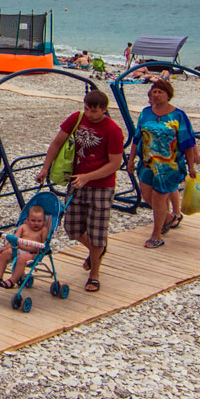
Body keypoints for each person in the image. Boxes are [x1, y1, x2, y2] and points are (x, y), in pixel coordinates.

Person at [34, 89, 124, 292]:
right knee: (72, 228)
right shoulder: (77, 119)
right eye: (87, 109)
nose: (90, 114)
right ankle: (96, 251)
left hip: (101, 186)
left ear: (104, 110)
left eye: (94, 111)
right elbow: (57, 142)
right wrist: (45, 168)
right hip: (76, 182)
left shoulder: (113, 130)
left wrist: (88, 177)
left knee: (97, 231)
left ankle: (94, 274)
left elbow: (115, 163)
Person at [135, 78, 200, 248]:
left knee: (159, 197)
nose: (156, 95)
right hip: (147, 163)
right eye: (154, 92)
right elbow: (137, 137)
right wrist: (130, 159)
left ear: (168, 95)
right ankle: (169, 217)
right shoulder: (145, 112)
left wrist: (191, 165)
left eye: (160, 92)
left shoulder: (178, 115)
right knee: (147, 196)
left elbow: (187, 141)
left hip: (169, 166)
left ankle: (156, 235)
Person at [0, 199, 51, 291]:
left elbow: (44, 244)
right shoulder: (23, 227)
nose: (36, 223)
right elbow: (14, 240)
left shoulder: (43, 230)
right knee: (5, 254)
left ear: (44, 221)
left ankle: (12, 280)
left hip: (31, 253)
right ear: (27, 220)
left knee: (21, 259)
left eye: (39, 221)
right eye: (33, 220)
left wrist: (38, 253)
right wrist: (6, 247)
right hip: (17, 249)